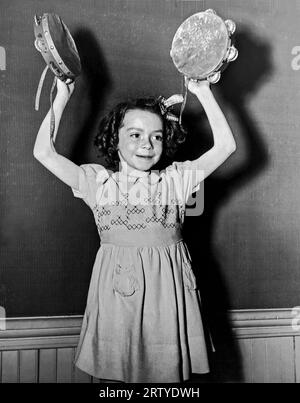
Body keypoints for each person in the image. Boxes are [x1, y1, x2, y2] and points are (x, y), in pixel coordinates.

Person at [33, 77, 236, 383]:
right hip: (118, 297)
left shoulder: (175, 181)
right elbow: (44, 154)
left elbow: (226, 146)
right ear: (115, 138)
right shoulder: (98, 183)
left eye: (156, 137)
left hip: (169, 299)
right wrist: (62, 95)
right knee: (119, 377)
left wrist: (203, 92)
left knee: (167, 379)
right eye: (136, 134)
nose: (147, 144)